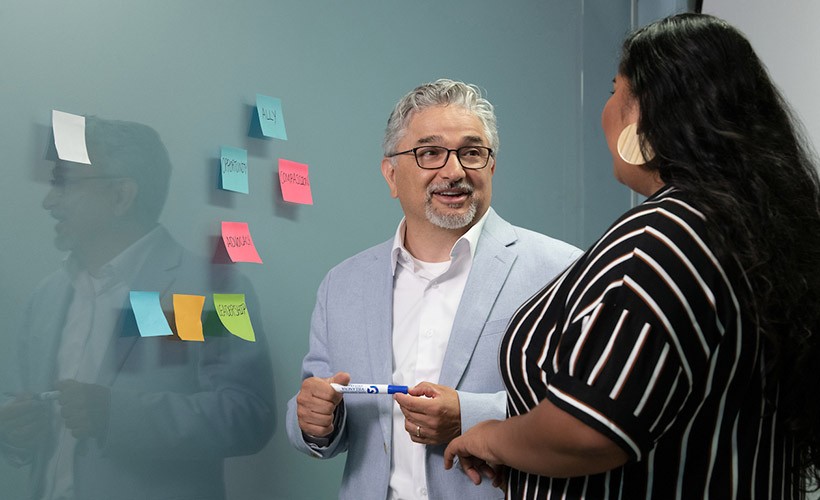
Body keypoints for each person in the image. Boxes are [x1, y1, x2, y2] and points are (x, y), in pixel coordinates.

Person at [443, 13, 820, 499]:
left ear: (648, 113)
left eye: (613, 89)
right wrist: (529, 459)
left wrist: (493, 437)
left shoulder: (664, 236)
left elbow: (589, 429)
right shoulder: (751, 229)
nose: (605, 110)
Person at [285, 79, 581, 500]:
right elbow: (311, 413)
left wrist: (471, 415)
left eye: (472, 152)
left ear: (491, 167)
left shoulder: (562, 270)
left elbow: (587, 415)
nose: (454, 171)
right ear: (391, 175)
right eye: (429, 153)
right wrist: (313, 421)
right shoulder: (342, 284)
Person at [0, 116, 276, 500]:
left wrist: (117, 416)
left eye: (65, 184)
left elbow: (247, 414)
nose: (49, 201)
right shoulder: (45, 298)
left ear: (120, 196)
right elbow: (19, 411)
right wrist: (12, 433)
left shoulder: (217, 291)